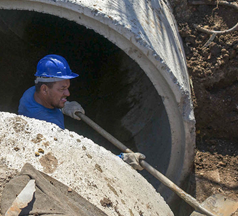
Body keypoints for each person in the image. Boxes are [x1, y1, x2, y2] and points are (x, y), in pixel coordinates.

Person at [18, 54, 146, 170]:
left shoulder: (31, 94)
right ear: (45, 89)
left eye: (67, 88)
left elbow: (48, 101)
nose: (68, 93)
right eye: (62, 89)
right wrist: (121, 160)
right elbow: (81, 158)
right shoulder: (48, 126)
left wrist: (64, 106)